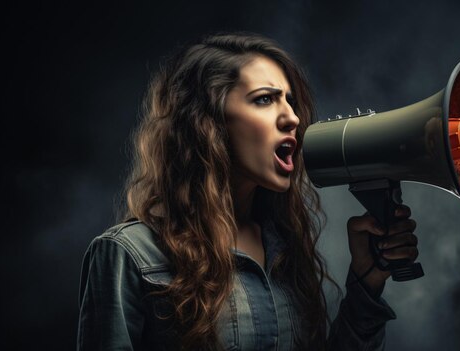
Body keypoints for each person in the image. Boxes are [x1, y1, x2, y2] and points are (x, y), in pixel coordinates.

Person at [77, 32, 419, 351]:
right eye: (265, 99)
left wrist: (366, 281)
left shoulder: (285, 249)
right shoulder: (129, 255)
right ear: (206, 123)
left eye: (291, 100)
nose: (293, 118)